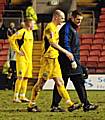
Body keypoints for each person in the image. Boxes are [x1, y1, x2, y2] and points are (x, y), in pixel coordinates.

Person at [27, 9, 81, 112]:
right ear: (56, 17)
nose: (63, 20)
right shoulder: (50, 27)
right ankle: (31, 104)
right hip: (48, 59)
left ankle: (70, 104)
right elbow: (52, 44)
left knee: (60, 82)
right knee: (40, 84)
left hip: (54, 59)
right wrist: (66, 52)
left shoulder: (55, 28)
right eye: (62, 18)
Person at [51, 10, 98, 112]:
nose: (79, 22)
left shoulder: (72, 28)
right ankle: (86, 104)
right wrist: (72, 60)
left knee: (62, 83)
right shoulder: (67, 29)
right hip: (68, 61)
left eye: (81, 20)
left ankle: (55, 105)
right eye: (77, 20)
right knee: (75, 82)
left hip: (70, 60)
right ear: (72, 18)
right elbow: (66, 45)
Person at [9, 17, 34, 103]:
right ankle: (15, 97)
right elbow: (11, 39)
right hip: (22, 59)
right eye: (32, 23)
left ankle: (22, 96)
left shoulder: (30, 32)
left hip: (29, 59)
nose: (34, 25)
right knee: (20, 77)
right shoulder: (22, 32)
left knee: (26, 77)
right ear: (28, 24)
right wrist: (17, 51)